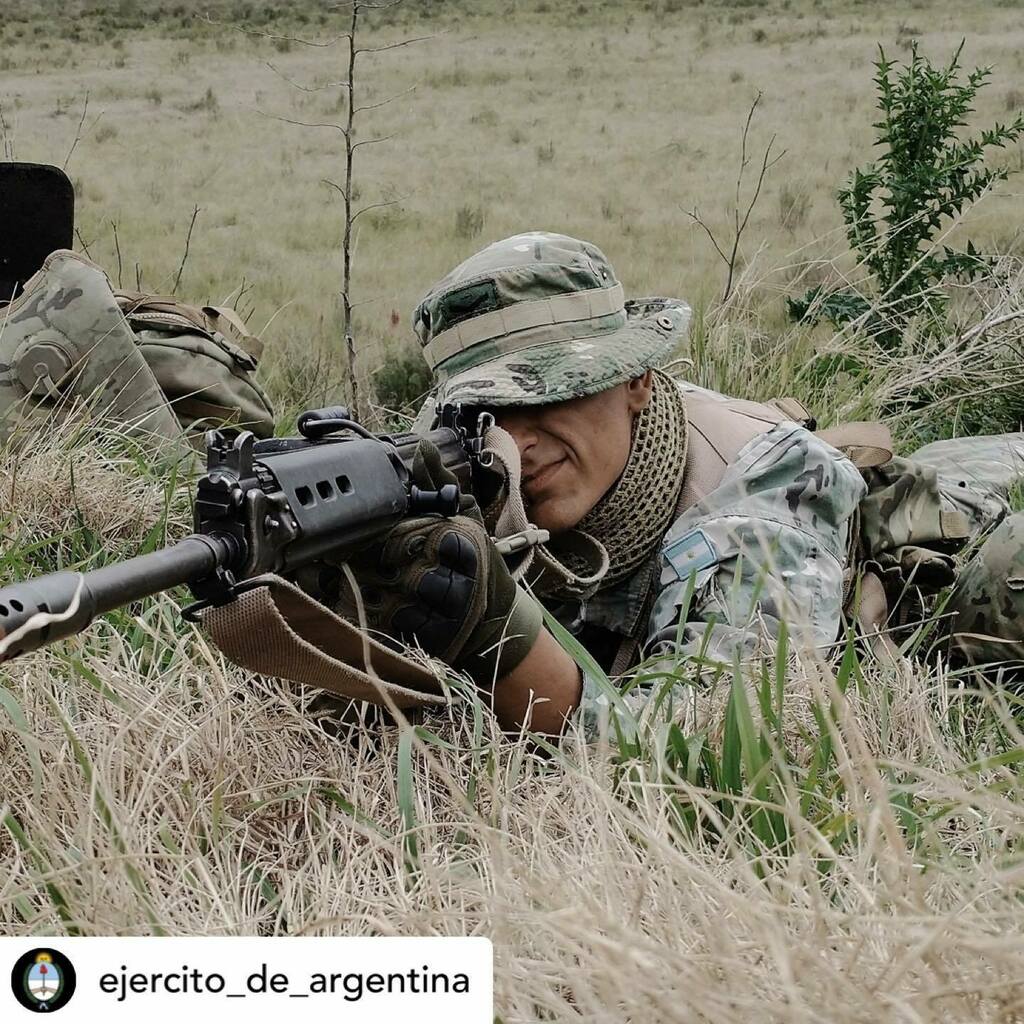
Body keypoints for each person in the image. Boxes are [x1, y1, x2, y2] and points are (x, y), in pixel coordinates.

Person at [322, 232, 1024, 735]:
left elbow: (718, 740)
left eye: (550, 395)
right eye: (486, 412)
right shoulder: (467, 470)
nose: (517, 440)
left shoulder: (764, 485)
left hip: (914, 552)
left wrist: (495, 633)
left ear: (635, 380)